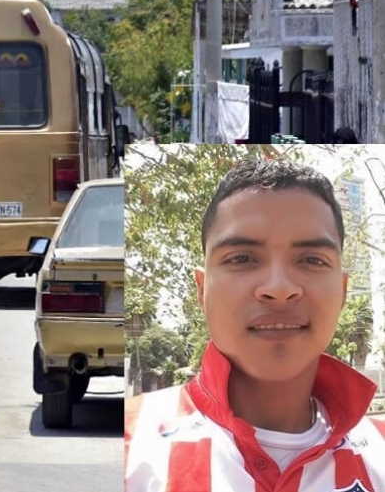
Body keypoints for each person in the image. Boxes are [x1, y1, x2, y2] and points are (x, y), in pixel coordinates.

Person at [124, 159, 385, 490]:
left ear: (343, 291)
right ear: (202, 290)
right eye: (241, 259)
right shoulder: (129, 444)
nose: (278, 288)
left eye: (311, 260)